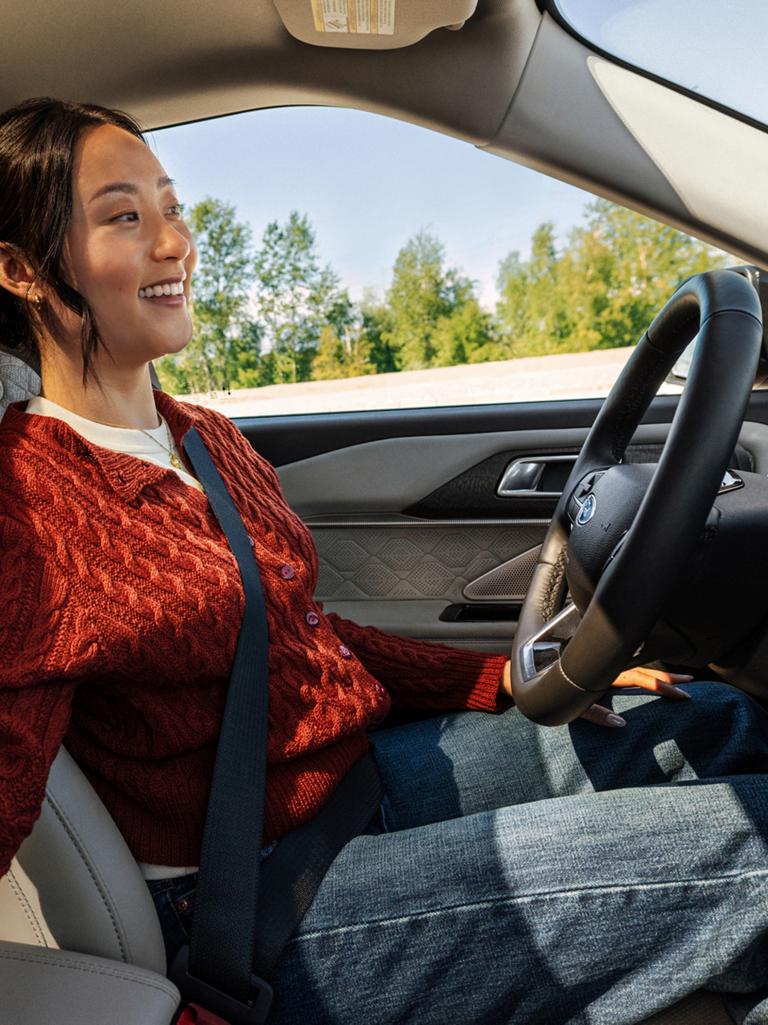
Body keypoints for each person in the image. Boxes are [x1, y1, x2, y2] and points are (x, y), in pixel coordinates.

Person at [1, 96, 768, 1025]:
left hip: (358, 783)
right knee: (752, 847)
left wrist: (495, 679)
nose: (174, 243)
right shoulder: (30, 506)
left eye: (172, 206)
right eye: (125, 217)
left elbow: (307, 635)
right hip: (252, 905)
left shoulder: (201, 436)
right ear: (20, 270)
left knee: (715, 719)